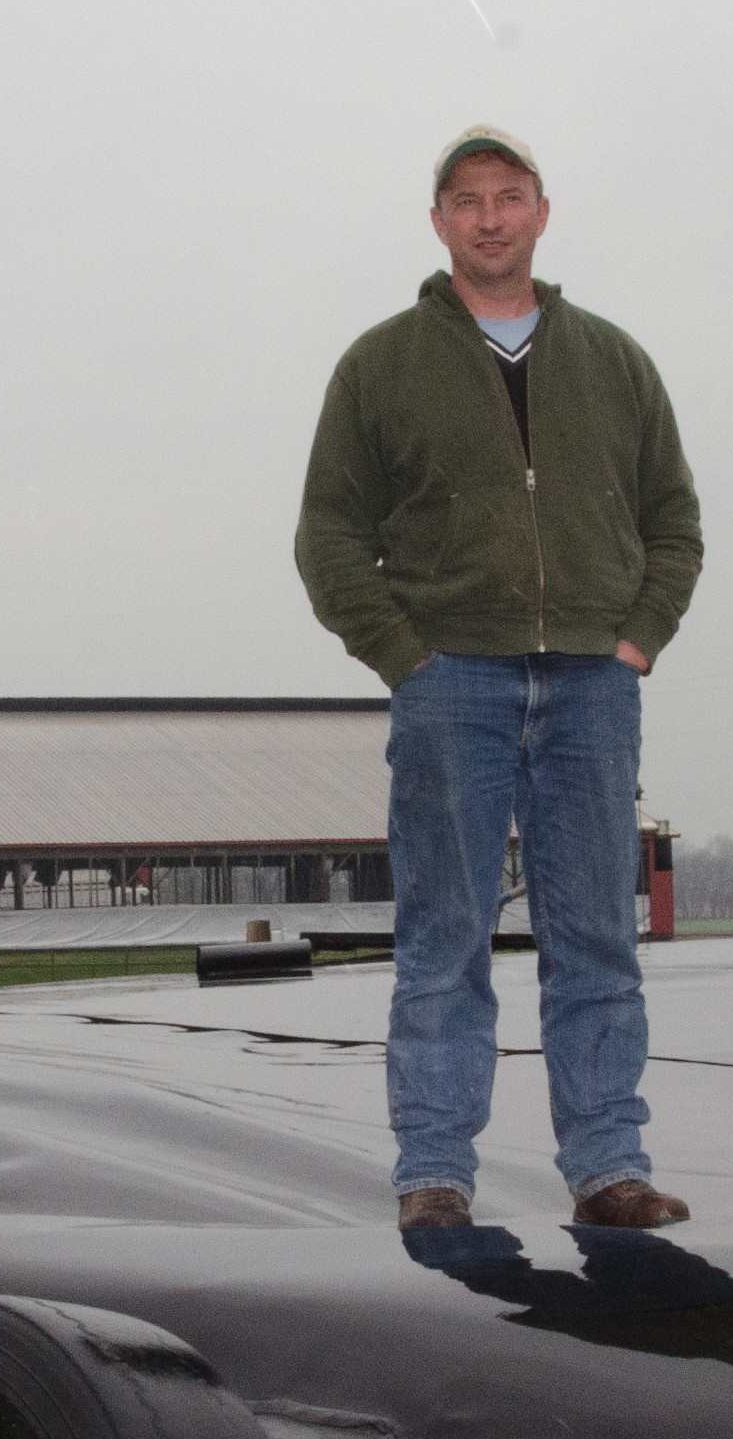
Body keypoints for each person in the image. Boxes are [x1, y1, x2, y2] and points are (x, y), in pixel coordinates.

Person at [294, 122, 704, 1232]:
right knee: (445, 936)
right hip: (452, 686)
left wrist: (635, 639)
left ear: (540, 212)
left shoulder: (613, 362)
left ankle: (608, 1166)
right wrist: (404, 657)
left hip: (590, 683)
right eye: (466, 200)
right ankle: (434, 1175)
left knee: (593, 936)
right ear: (438, 223)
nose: (488, 217)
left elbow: (673, 523)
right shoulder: (380, 365)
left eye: (508, 196)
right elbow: (327, 534)